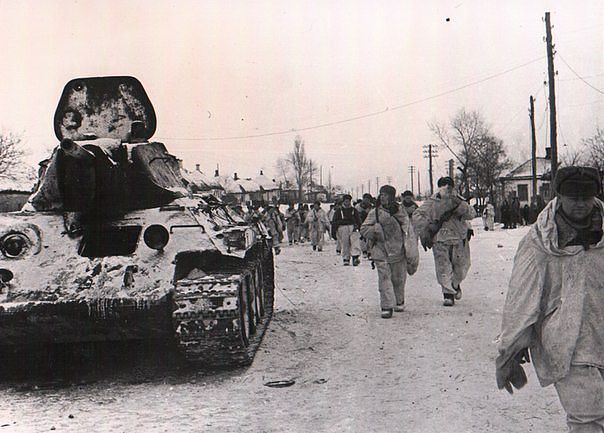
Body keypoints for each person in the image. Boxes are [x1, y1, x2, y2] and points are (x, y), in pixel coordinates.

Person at [496, 166, 604, 433]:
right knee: (588, 416)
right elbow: (522, 298)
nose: (580, 203)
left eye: (586, 196)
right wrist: (511, 348)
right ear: (559, 196)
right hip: (568, 341)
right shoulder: (540, 242)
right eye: (573, 197)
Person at [413, 176, 476, 306]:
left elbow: (471, 214)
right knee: (443, 267)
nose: (447, 188)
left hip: (459, 238)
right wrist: (428, 225)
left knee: (462, 267)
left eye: (449, 186)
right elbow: (417, 215)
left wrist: (461, 207)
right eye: (444, 185)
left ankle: (455, 284)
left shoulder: (458, 200)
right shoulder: (432, 202)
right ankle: (448, 294)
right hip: (440, 239)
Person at [361, 185, 410, 318]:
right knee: (384, 278)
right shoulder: (375, 212)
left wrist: (409, 245)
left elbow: (408, 228)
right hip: (381, 250)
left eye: (386, 195)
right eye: (381, 194)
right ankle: (386, 306)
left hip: (398, 249)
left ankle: (399, 300)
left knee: (398, 278)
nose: (382, 197)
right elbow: (364, 228)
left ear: (392, 197)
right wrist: (375, 231)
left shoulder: (400, 211)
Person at [332, 194, 362, 266]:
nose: (347, 203)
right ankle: (346, 258)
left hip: (353, 227)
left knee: (355, 242)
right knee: (345, 244)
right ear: (343, 202)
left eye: (348, 201)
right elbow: (334, 222)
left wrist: (360, 229)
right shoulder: (339, 211)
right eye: (346, 201)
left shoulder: (354, 210)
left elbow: (358, 220)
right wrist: (333, 232)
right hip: (342, 228)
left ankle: (355, 257)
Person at [355, 193, 373, 258]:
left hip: (369, 224)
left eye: (368, 199)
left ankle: (369, 252)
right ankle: (364, 251)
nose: (367, 201)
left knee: (369, 238)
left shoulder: (371, 207)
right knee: (362, 238)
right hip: (361, 224)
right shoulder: (358, 207)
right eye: (365, 199)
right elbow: (355, 216)